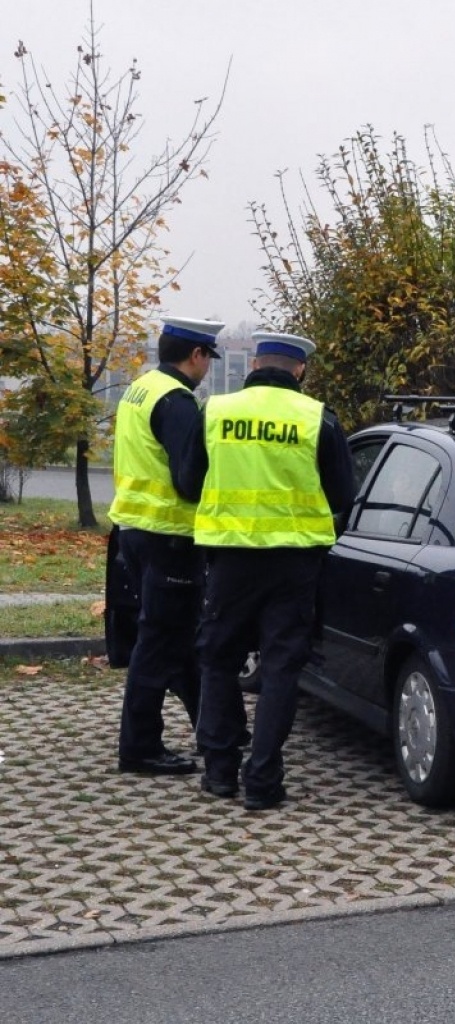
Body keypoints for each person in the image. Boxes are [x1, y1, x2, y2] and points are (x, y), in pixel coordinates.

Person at [176, 330, 356, 810]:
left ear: (255, 363)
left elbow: (188, 483)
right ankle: (262, 780)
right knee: (280, 667)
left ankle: (218, 772)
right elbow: (342, 497)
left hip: (230, 559)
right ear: (300, 370)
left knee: (217, 659)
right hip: (295, 563)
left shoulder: (215, 411)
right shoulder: (317, 418)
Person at [108, 316, 222, 776]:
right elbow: (189, 479)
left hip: (135, 531)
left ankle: (211, 726)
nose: (208, 368)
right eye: (208, 359)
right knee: (158, 644)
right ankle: (140, 749)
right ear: (195, 356)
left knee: (176, 637)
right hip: (169, 536)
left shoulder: (141, 388)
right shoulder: (177, 403)